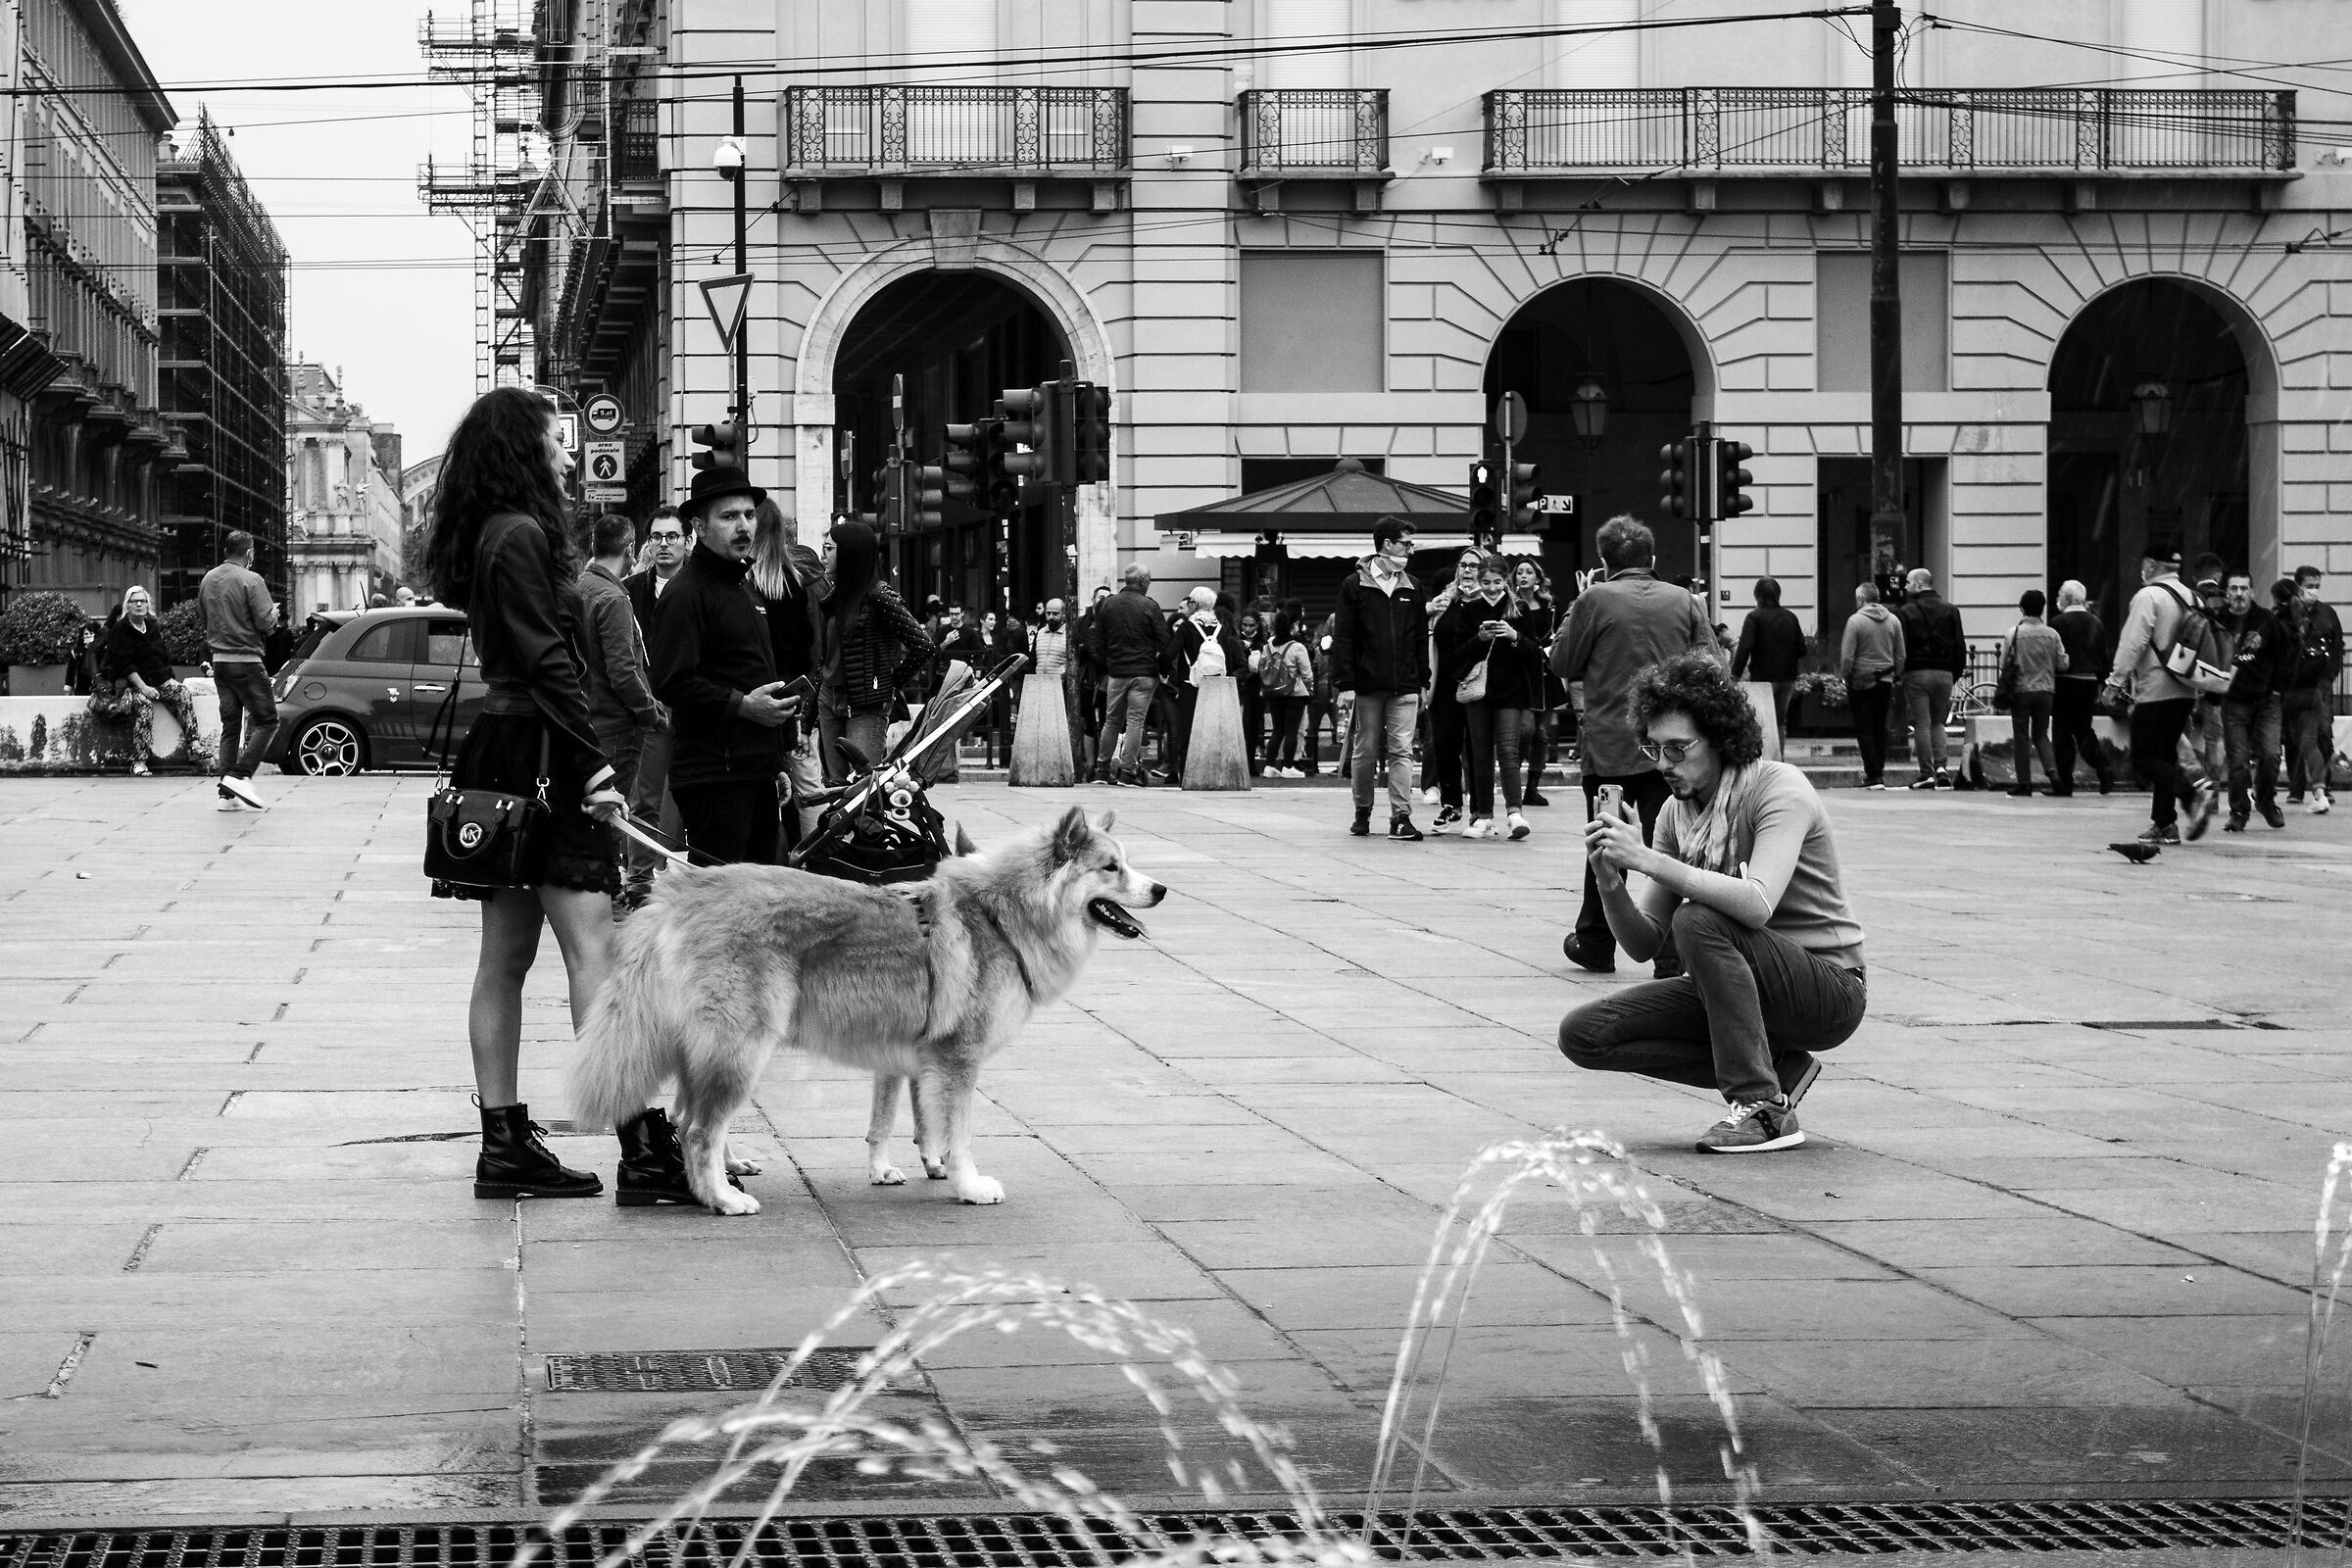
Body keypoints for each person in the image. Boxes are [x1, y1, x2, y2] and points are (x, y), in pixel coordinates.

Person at [421, 385, 689, 1206]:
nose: (570, 453)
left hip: (507, 750)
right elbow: (549, 663)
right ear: (522, 448)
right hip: (543, 751)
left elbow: (530, 662)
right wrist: (593, 767)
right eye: (556, 441)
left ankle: (504, 1146)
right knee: (597, 950)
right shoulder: (525, 534)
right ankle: (641, 1146)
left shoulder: (491, 535)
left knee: (504, 961)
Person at [1557, 652, 1866, 1153]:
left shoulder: (1779, 788)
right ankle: (1782, 1068)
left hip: (1826, 989)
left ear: (1719, 738)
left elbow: (1758, 903)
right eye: (1652, 748)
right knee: (1586, 1034)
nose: (1663, 764)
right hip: (1733, 989)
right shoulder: (1676, 816)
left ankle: (1762, 1106)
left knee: (1699, 919)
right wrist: (1610, 877)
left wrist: (1652, 862)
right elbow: (1642, 943)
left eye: (1678, 749)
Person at [1549, 515, 1714, 974]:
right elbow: (1711, 664)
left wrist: (1577, 603)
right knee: (1671, 843)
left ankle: (1596, 941)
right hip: (1674, 747)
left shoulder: (1595, 598)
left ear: (1604, 563)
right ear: (1653, 560)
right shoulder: (1684, 600)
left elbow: (1562, 660)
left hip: (1610, 743)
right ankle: (1670, 953)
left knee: (1606, 842)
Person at [648, 466, 805, 865]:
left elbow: (755, 671)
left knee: (760, 903)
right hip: (714, 776)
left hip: (754, 771)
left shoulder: (743, 587)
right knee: (723, 910)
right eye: (729, 516)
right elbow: (670, 681)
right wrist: (742, 704)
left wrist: (776, 764)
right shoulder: (686, 593)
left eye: (749, 515)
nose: (744, 526)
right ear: (699, 526)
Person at [2103, 541, 2215, 846]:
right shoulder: (2194, 597)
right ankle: (2164, 823)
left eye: (2144, 565)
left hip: (2155, 688)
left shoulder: (2148, 596)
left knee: (2142, 757)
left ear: (2152, 565)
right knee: (2165, 754)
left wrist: (2115, 681)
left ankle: (2192, 797)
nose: (2141, 570)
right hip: (2186, 689)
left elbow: (2133, 641)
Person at [575, 512, 667, 881]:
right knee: (612, 812)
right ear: (631, 549)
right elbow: (623, 671)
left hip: (586, 717)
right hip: (615, 725)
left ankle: (592, 885)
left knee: (592, 807)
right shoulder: (613, 598)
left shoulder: (580, 588)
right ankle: (607, 889)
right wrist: (651, 712)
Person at [1332, 517, 1430, 840]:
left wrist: (1423, 678)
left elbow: (1419, 636)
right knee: (1365, 749)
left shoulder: (1412, 586)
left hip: (1404, 682)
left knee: (1402, 749)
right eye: (1406, 544)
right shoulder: (1354, 585)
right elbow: (1344, 636)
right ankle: (1363, 811)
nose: (1410, 550)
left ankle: (1401, 816)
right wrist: (1345, 683)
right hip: (1366, 682)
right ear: (1387, 544)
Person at [816, 518, 934, 782]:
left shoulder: (879, 595)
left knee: (862, 787)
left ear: (849, 554)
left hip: (865, 706)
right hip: (829, 698)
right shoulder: (834, 596)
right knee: (834, 786)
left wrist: (891, 683)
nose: (823, 555)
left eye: (829, 548)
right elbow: (826, 657)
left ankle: (863, 826)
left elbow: (924, 645)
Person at [1436, 553, 1540, 840]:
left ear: (1505, 580)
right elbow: (1457, 653)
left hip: (1512, 691)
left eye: (1496, 582)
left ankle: (1515, 812)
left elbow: (1533, 652)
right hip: (1478, 689)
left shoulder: (1518, 609)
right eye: (1485, 582)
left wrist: (1513, 636)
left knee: (1508, 751)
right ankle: (1483, 815)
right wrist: (1479, 638)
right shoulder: (1470, 611)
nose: (1491, 588)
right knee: (1479, 753)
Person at [750, 499, 827, 844]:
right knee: (807, 781)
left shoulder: (747, 582)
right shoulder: (793, 582)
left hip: (753, 700)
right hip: (793, 696)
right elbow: (808, 645)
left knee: (761, 783)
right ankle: (817, 858)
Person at [199, 529, 281, 809]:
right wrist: (275, 615)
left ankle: (226, 794)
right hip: (246, 661)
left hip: (220, 662)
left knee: (230, 726)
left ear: (225, 551)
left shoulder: (208, 579)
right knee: (268, 720)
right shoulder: (252, 579)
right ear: (249, 553)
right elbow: (265, 624)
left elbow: (204, 617)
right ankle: (240, 774)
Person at [92, 585, 203, 777]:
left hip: (156, 680)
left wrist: (167, 682)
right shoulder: (121, 629)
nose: (139, 604)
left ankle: (193, 744)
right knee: (144, 706)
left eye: (142, 601)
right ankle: (139, 761)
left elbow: (160, 657)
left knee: (182, 692)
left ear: (147, 605)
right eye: (134, 601)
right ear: (127, 605)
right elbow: (124, 664)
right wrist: (144, 688)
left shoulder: (151, 626)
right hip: (130, 685)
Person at [1089, 564, 1171, 786]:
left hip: (1116, 672)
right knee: (1135, 722)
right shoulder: (1150, 606)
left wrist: (1107, 663)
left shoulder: (1107, 604)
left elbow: (1096, 638)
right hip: (1144, 672)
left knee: (1111, 721)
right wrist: (1162, 668)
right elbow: (1164, 641)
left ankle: (1102, 770)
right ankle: (1128, 771)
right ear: (1143, 582)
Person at [2216, 571, 2285, 832]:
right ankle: (2238, 810)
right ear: (2226, 593)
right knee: (2238, 761)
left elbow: (2285, 654)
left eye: (2244, 588)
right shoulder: (2219, 621)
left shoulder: (2266, 620)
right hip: (2234, 702)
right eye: (2233, 588)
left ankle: (2265, 801)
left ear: (2252, 592)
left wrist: (2279, 687)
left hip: (2267, 700)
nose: (2238, 594)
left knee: (2271, 755)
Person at [1423, 548, 1484, 828]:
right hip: (1444, 682)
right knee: (1444, 744)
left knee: (1475, 746)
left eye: (1474, 566)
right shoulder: (1446, 599)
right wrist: (1428, 611)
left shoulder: (1489, 601)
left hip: (1474, 681)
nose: (1468, 571)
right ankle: (1451, 804)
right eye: (1464, 565)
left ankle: (1481, 809)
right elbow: (1428, 634)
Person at [1896, 566, 1966, 789]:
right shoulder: (1951, 610)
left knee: (1922, 723)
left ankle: (1926, 772)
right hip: (1944, 672)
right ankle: (1942, 767)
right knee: (1938, 722)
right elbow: (1959, 645)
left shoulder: (1906, 612)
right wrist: (1955, 672)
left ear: (1918, 584)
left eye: (1907, 582)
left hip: (1916, 672)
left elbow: (1902, 647)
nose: (1905, 586)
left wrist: (1901, 672)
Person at [1167, 586, 1243, 785]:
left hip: (1190, 684)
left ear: (1195, 604)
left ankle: (1186, 775)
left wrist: (1162, 665)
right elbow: (1230, 658)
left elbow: (1170, 653)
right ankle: (1214, 773)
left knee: (1188, 732)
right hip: (1215, 685)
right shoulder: (1221, 628)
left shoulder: (1186, 627)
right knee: (1212, 732)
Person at [2282, 565, 2342, 813]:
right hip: (2294, 685)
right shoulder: (2288, 614)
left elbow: (2337, 646)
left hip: (2319, 685)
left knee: (2323, 735)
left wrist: (2328, 678)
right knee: (2293, 738)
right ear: (2298, 586)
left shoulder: (2327, 614)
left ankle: (2322, 786)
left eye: (2317, 585)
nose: (2313, 590)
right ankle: (2298, 789)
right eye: (2309, 585)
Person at [1999, 589, 2069, 797]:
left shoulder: (2014, 634)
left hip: (2021, 691)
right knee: (2041, 735)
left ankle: (2024, 783)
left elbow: (2004, 663)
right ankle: (2053, 774)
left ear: (2022, 608)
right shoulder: (2052, 634)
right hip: (2046, 690)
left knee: (2021, 737)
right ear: (2042, 609)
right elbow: (2062, 664)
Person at [1838, 582, 1904, 790]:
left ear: (1861, 599)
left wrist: (1845, 675)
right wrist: (1896, 675)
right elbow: (1901, 654)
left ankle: (1872, 773)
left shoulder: (1855, 621)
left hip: (1861, 680)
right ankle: (1879, 770)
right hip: (1885, 680)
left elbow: (1847, 656)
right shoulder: (1893, 620)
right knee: (1879, 726)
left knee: (1864, 727)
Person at [1730, 577, 1805, 760]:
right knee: (1780, 721)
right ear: (1778, 595)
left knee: (1760, 721)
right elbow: (1802, 649)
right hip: (1787, 676)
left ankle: (1762, 758)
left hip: (1763, 677)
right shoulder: (1791, 617)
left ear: (1757, 596)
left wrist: (1735, 675)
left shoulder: (1754, 617)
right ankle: (1779, 759)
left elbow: (1744, 648)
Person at [2049, 580, 2113, 796]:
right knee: (2084, 729)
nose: (2058, 597)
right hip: (2089, 682)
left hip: (2065, 681)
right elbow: (2104, 656)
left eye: (2060, 594)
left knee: (2062, 732)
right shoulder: (2096, 622)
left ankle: (2065, 783)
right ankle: (2102, 766)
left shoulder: (2058, 623)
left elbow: (2055, 655)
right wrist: (2102, 682)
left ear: (2066, 598)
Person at [1510, 561, 1559, 807]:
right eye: (1520, 572)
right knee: (1525, 730)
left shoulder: (1548, 605)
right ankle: (1513, 783)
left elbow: (1556, 635)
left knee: (1542, 733)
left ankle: (1532, 787)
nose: (1524, 576)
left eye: (1528, 572)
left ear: (1537, 577)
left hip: (1545, 672)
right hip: (1522, 672)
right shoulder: (1511, 604)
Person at [1029, 598, 1086, 768]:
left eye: (1055, 613)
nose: (1051, 617)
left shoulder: (1070, 634)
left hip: (1060, 686)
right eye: (1048, 613)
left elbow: (1075, 661)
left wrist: (1065, 676)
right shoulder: (1040, 633)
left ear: (1063, 614)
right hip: (1041, 685)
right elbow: (1034, 659)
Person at [1259, 613, 1313, 777]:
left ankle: (1269, 765)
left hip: (1273, 693)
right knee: (1291, 730)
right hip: (1294, 693)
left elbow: (1262, 666)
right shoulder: (1297, 647)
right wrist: (1309, 689)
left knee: (1277, 730)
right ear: (1292, 627)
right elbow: (1307, 673)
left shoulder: (1267, 646)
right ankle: (1288, 766)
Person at [626, 505, 687, 633]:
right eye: (657, 537)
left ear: (688, 541)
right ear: (649, 542)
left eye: (672, 536)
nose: (663, 544)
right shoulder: (629, 590)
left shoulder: (703, 588)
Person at [1236, 609, 1269, 776]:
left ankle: (1250, 762)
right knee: (1242, 727)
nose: (1248, 629)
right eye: (1245, 625)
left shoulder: (1262, 644)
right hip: (1241, 687)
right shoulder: (1236, 641)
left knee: (1252, 728)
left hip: (1256, 689)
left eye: (1251, 625)